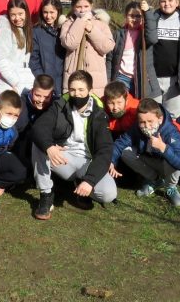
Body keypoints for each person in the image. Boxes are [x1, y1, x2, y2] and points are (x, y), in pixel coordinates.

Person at [31, 70, 117, 220]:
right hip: (64, 157)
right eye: (72, 90)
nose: (76, 94)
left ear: (90, 91)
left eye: (81, 90)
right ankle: (46, 194)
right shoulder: (60, 104)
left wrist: (90, 181)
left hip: (87, 161)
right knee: (38, 144)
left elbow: (105, 150)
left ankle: (82, 184)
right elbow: (40, 127)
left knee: (108, 194)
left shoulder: (99, 113)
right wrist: (50, 146)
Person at [109, 98, 180, 207]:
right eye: (142, 122)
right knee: (126, 152)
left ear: (160, 119)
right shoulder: (136, 128)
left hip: (168, 164)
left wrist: (163, 148)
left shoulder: (170, 131)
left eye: (150, 121)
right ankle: (155, 180)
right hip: (150, 160)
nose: (146, 126)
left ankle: (170, 187)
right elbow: (120, 143)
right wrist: (112, 161)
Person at [60, 0, 115, 97]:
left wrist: (91, 30)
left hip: (95, 80)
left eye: (86, 6)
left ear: (91, 5)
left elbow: (107, 47)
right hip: (73, 75)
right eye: (78, 7)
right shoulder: (67, 24)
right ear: (73, 7)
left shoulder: (100, 24)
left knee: (94, 109)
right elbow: (70, 43)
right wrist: (80, 22)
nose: (82, 10)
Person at [106, 1, 162, 100]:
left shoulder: (145, 35)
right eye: (131, 16)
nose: (135, 19)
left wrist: (147, 12)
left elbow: (153, 38)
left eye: (138, 16)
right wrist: (108, 80)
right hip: (121, 78)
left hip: (141, 78)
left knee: (138, 108)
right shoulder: (118, 34)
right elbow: (110, 58)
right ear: (126, 16)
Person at [0, 0, 35, 102]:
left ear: (26, 13)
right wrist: (15, 82)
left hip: (20, 83)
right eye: (13, 15)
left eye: (20, 14)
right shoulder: (5, 30)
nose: (17, 18)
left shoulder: (25, 30)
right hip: (6, 86)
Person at [13, 74, 55, 166]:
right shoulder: (21, 104)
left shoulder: (55, 105)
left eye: (46, 97)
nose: (41, 100)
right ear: (32, 91)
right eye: (38, 95)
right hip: (22, 144)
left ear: (51, 94)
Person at [29, 0, 66, 94]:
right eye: (45, 12)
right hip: (45, 84)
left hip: (63, 82)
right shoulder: (36, 31)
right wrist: (43, 80)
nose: (48, 16)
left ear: (58, 12)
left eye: (52, 12)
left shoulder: (64, 29)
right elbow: (33, 60)